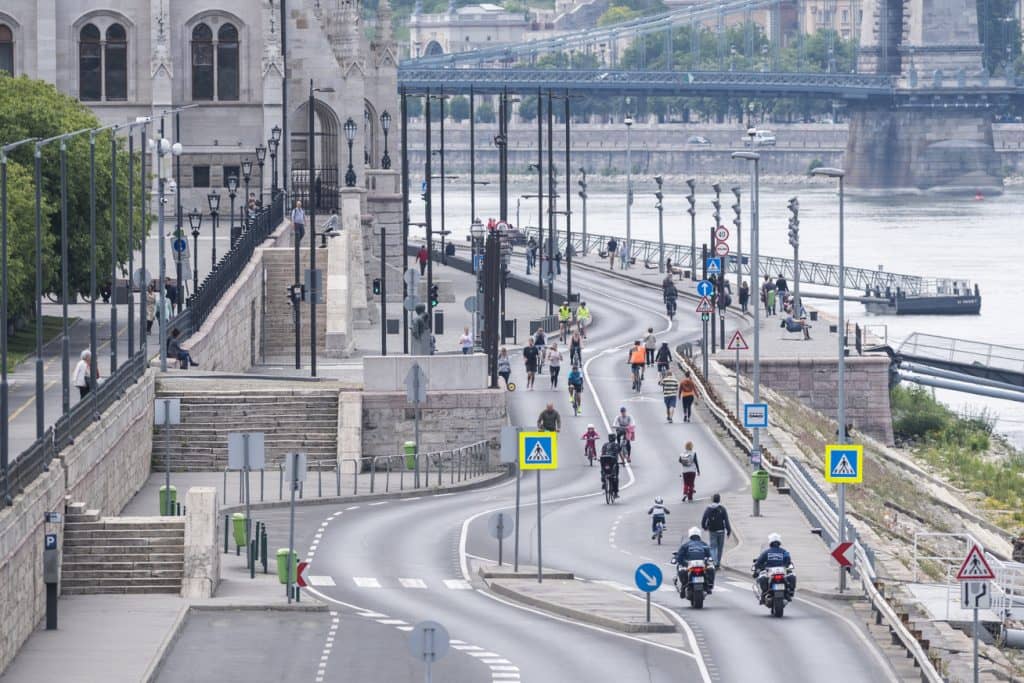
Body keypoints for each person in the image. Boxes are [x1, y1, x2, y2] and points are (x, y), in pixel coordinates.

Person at [754, 533, 796, 603]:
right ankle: (790, 592)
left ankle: (764, 594)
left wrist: (757, 569)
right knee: (792, 576)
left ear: (770, 543)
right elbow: (788, 561)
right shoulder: (784, 551)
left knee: (762, 578)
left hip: (770, 572)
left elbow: (759, 562)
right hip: (782, 571)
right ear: (779, 543)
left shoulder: (766, 552)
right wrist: (785, 566)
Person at [675, 527, 715, 592]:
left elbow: (680, 557)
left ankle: (683, 585)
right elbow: (709, 556)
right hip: (701, 564)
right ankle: (709, 585)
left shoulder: (685, 545)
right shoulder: (704, 544)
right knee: (711, 568)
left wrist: (680, 561)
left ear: (690, 535)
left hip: (690, 564)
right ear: (699, 535)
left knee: (680, 567)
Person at [701, 493, 732, 568]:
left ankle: (714, 561)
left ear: (713, 500)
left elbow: (704, 519)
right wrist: (728, 530)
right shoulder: (722, 509)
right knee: (720, 548)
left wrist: (704, 527)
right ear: (719, 500)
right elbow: (726, 521)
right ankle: (718, 562)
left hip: (712, 531)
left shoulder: (708, 509)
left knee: (713, 547)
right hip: (721, 531)